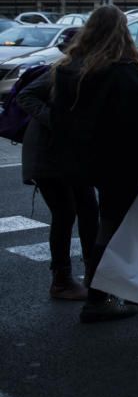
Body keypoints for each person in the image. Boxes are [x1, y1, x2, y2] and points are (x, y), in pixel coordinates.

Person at [48, 6, 138, 323]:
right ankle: (98, 296)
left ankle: (106, 290)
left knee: (103, 224)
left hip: (80, 160)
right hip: (120, 161)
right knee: (114, 228)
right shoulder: (122, 72)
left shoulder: (69, 68)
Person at [18, 27, 97, 300]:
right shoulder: (60, 70)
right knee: (65, 213)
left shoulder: (80, 67)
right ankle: (61, 280)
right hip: (48, 155)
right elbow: (24, 95)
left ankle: (92, 273)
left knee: (87, 208)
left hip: (66, 155)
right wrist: (55, 120)